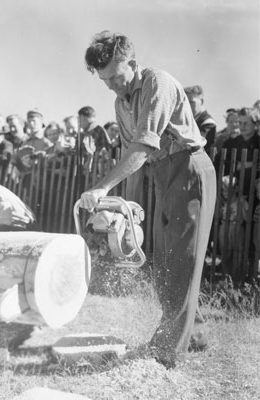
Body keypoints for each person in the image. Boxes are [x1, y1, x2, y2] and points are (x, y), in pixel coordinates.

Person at [79, 31, 216, 368]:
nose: (111, 85)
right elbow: (134, 157)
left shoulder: (158, 83)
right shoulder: (120, 102)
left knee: (182, 260)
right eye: (104, 80)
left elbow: (142, 147)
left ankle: (167, 352)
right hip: (162, 175)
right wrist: (126, 206)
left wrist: (101, 189)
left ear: (133, 64)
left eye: (115, 76)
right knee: (163, 261)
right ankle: (194, 334)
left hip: (189, 168)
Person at [184, 85, 217, 156]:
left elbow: (196, 145)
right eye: (186, 102)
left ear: (201, 101)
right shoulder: (187, 119)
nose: (188, 106)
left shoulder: (208, 123)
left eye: (191, 102)